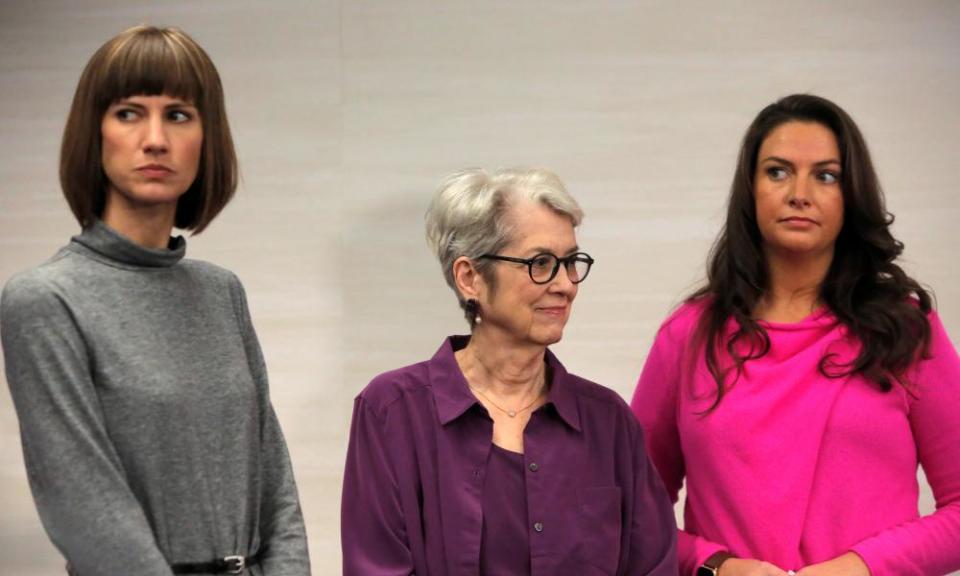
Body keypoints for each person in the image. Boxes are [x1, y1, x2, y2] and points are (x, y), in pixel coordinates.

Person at [0, 26, 310, 575]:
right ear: (92, 134)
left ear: (205, 138)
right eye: (128, 113)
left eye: (179, 115)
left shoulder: (222, 292)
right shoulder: (45, 301)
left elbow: (274, 484)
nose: (155, 139)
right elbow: (83, 507)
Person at [631, 94, 960, 576]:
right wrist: (716, 568)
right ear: (750, 187)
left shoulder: (904, 329)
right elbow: (631, 516)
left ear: (851, 195)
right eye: (778, 171)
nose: (799, 193)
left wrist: (860, 569)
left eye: (825, 175)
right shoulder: (688, 335)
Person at [341, 167, 678, 575]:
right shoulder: (392, 411)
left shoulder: (609, 422)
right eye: (540, 262)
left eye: (571, 262)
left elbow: (654, 566)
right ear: (470, 278)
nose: (566, 284)